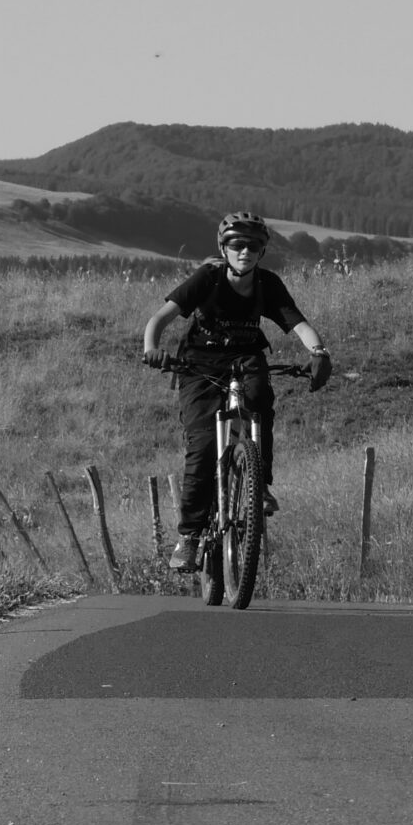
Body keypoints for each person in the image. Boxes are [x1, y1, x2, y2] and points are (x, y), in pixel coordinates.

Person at [139, 212, 332, 571]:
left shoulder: (268, 284)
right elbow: (160, 319)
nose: (245, 252)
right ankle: (189, 537)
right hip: (198, 363)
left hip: (245, 358)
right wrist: (152, 348)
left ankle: (260, 487)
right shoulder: (207, 278)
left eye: (253, 246)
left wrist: (319, 354)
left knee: (259, 403)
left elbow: (298, 324)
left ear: (262, 252)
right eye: (237, 245)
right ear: (223, 248)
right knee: (203, 445)